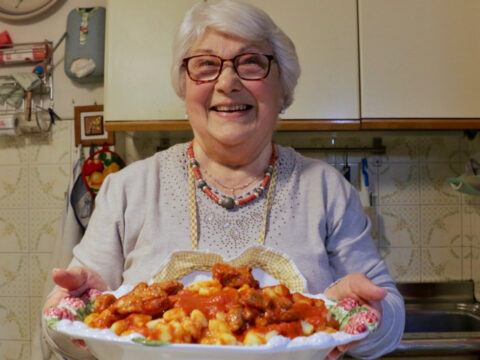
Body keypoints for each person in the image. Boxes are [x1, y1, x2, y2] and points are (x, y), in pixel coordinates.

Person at [42, 1, 405, 359]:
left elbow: (389, 322)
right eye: (205, 65)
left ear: (284, 88)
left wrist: (363, 315)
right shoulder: (128, 189)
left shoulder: (326, 190)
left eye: (251, 63)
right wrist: (81, 313)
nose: (228, 82)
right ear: (184, 86)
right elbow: (62, 335)